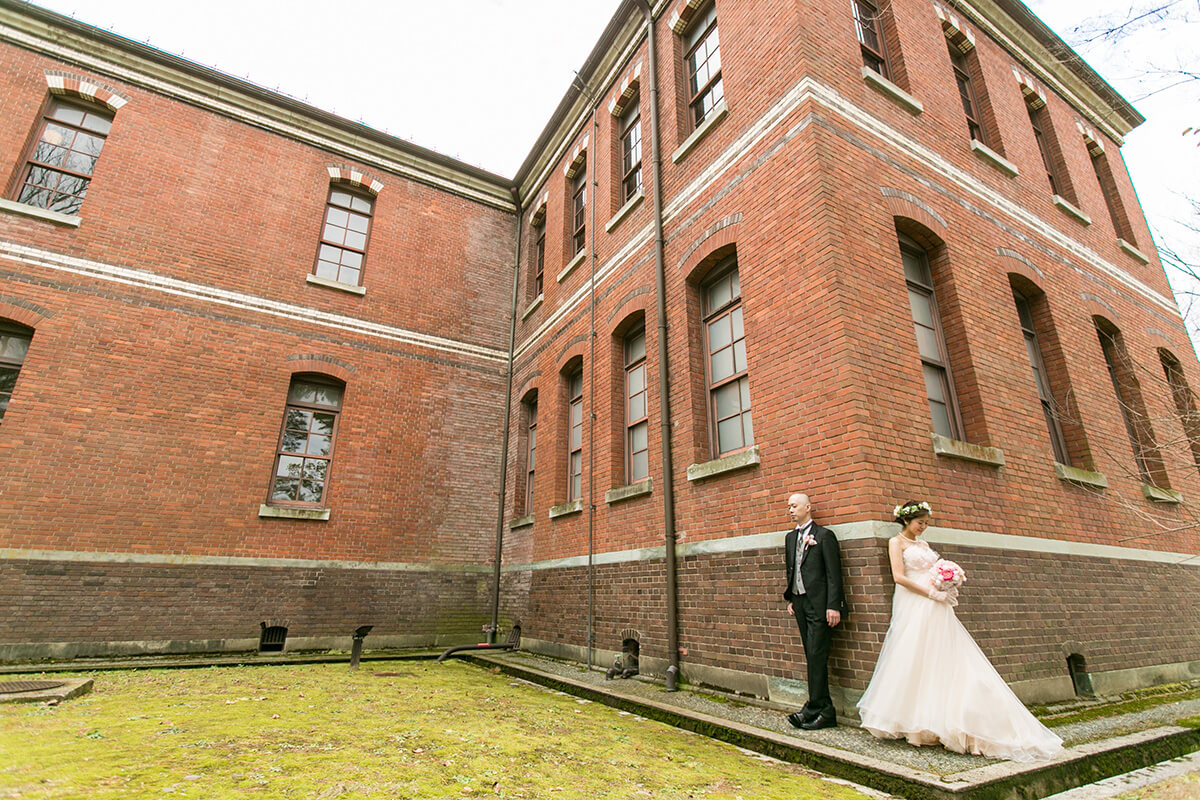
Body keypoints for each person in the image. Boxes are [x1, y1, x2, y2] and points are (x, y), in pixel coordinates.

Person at [856, 500, 1064, 762]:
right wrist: (931, 592)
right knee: (914, 653)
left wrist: (947, 584)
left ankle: (947, 718)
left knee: (943, 653)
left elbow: (932, 570)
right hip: (914, 601)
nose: (923, 528)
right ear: (907, 521)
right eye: (920, 523)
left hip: (937, 604)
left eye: (927, 524)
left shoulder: (924, 545)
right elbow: (899, 577)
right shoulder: (896, 543)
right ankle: (915, 725)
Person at [782, 492, 846, 730]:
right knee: (811, 655)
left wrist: (833, 605)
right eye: (788, 506)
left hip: (820, 605)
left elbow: (833, 573)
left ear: (808, 507)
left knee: (817, 656)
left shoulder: (824, 536)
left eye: (795, 506)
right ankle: (820, 708)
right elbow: (791, 570)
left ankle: (818, 709)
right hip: (799, 603)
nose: (790, 510)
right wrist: (791, 598)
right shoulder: (790, 538)